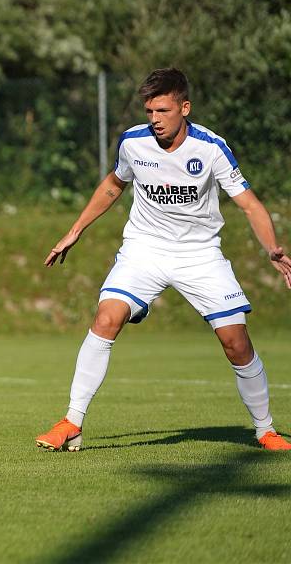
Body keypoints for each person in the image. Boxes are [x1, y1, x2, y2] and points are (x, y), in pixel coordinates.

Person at [36, 68, 291, 452]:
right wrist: (76, 229)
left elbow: (250, 205)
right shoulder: (133, 143)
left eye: (163, 110)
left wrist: (272, 248)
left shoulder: (210, 148)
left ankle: (265, 429)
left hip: (200, 255)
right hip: (145, 249)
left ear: (184, 107)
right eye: (149, 111)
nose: (154, 119)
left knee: (236, 342)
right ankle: (72, 421)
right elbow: (112, 185)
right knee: (106, 318)